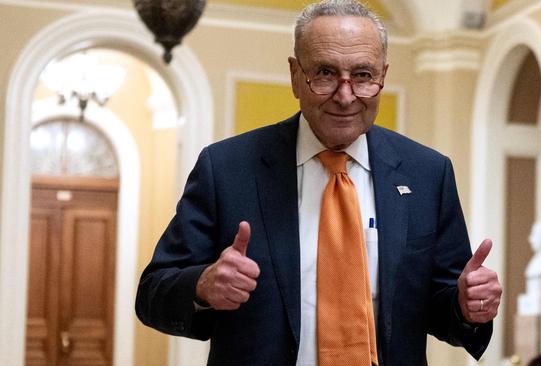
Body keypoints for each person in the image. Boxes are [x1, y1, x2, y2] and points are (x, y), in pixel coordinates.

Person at [136, 1, 502, 365]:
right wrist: (202, 286)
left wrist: (467, 305)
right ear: (296, 75)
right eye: (325, 73)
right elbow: (153, 293)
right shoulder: (228, 169)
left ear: (382, 77)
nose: (345, 96)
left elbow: (442, 306)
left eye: (362, 76)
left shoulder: (426, 174)